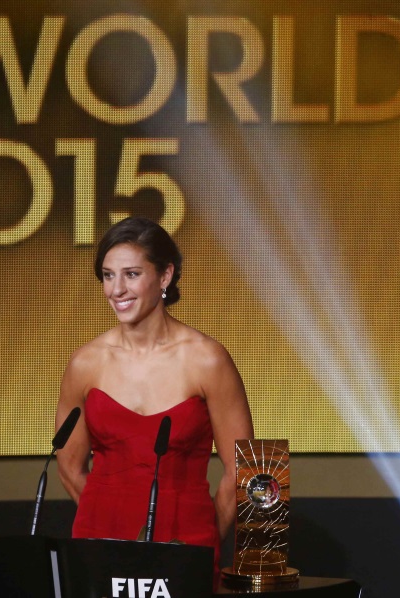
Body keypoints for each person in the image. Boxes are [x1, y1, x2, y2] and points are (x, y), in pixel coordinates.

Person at [55, 216, 254, 579]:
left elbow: (240, 472)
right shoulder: (85, 363)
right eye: (108, 275)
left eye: (131, 274)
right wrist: (110, 523)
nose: (117, 289)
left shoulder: (206, 360)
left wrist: (205, 537)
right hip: (100, 543)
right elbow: (69, 467)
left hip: (184, 542)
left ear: (164, 277)